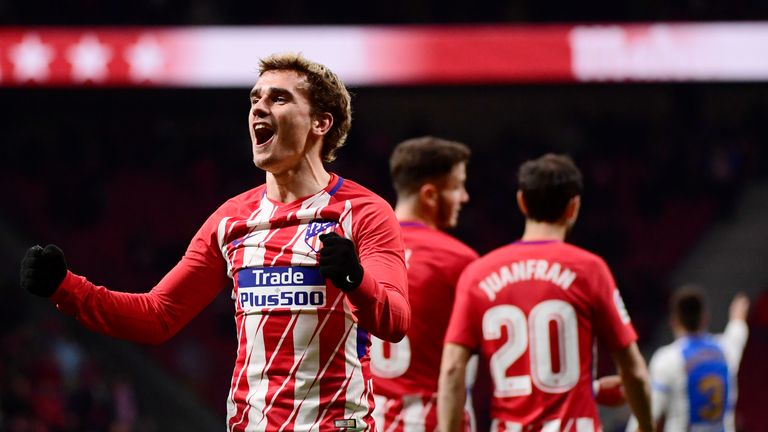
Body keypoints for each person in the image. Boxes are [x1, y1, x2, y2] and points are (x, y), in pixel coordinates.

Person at [19, 52, 411, 431]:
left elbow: (395, 321)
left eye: (279, 98)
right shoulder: (231, 220)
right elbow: (159, 315)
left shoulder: (364, 211)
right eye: (255, 99)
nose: (259, 108)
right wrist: (66, 288)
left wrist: (355, 281)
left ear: (320, 123)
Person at [437, 153, 654, 432]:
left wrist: (592, 389)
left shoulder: (478, 274)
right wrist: (647, 426)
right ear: (573, 207)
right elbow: (634, 371)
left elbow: (453, 369)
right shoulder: (589, 269)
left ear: (521, 202)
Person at [369, 136, 479, 431]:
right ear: (429, 195)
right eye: (457, 186)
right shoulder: (459, 261)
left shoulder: (356, 253)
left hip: (364, 420)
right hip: (429, 422)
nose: (465, 197)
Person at [626, 288, 749, 432]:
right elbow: (737, 333)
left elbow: (647, 415)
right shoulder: (725, 350)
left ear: (674, 320)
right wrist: (738, 316)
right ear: (705, 318)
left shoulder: (668, 359)